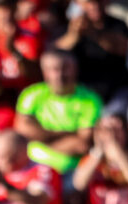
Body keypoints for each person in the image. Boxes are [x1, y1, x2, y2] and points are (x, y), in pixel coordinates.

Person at [14, 48, 103, 176]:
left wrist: (40, 139)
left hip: (72, 171)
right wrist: (69, 134)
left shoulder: (90, 100)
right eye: (54, 69)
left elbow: (82, 144)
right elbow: (22, 131)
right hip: (31, 169)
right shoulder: (31, 94)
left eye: (65, 68)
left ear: (75, 69)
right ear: (45, 72)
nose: (59, 74)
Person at [52, 0, 128, 100]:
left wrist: (93, 32)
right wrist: (73, 35)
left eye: (99, 1)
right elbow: (55, 53)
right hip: (84, 96)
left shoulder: (118, 24)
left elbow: (122, 48)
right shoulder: (71, 26)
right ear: (80, 4)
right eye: (90, 2)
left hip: (115, 92)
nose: (95, 6)